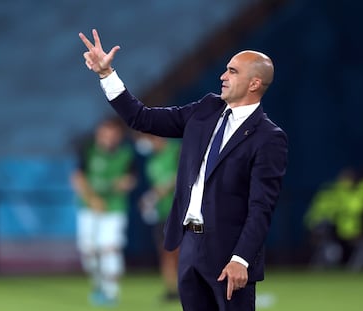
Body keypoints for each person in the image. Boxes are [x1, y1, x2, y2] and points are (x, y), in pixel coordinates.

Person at [79, 29, 288, 311]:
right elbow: (142, 118)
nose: (223, 76)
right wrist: (107, 75)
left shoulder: (268, 137)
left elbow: (261, 205)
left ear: (254, 83)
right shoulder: (206, 108)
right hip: (189, 245)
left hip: (229, 254)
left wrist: (241, 259)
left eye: (232, 71)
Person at [70, 117, 136, 306]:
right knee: (88, 250)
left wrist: (122, 185)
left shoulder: (126, 153)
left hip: (114, 208)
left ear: (119, 135)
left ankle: (111, 292)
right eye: (105, 134)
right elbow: (78, 177)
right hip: (88, 207)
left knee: (109, 248)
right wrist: (92, 198)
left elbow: (131, 179)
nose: (108, 138)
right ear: (99, 133)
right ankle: (98, 285)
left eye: (112, 134)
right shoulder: (88, 150)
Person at [137, 133, 180, 301]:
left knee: (183, 251)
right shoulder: (151, 162)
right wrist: (149, 200)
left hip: (182, 210)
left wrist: (160, 191)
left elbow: (184, 173)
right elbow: (156, 187)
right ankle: (171, 289)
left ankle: (190, 286)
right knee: (165, 251)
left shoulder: (176, 150)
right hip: (163, 212)